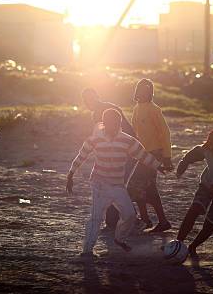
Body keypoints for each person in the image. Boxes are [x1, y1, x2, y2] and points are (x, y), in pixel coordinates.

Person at [66, 108, 165, 257]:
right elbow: (82, 155)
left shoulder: (127, 140)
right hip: (99, 184)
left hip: (118, 186)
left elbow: (142, 155)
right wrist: (70, 174)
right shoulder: (95, 139)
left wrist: (158, 166)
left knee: (130, 215)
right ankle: (87, 251)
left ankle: (119, 238)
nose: (115, 125)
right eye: (111, 122)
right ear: (104, 123)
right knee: (96, 217)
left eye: (117, 122)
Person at [80, 88, 138, 230]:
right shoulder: (101, 111)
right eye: (86, 100)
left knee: (113, 185)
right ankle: (127, 219)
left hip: (125, 150)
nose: (88, 102)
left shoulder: (102, 111)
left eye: (90, 99)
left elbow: (118, 133)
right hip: (124, 149)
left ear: (96, 97)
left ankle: (114, 222)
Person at [129, 79, 172, 232]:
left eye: (147, 90)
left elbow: (165, 133)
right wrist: (131, 151)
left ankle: (152, 220)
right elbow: (134, 133)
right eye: (141, 89)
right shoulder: (137, 108)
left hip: (155, 154)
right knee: (140, 187)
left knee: (138, 186)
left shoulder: (154, 109)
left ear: (151, 92)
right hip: (141, 154)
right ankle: (150, 220)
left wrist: (167, 157)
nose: (144, 92)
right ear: (137, 91)